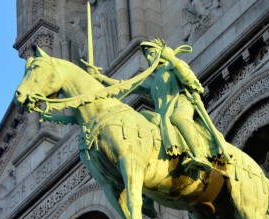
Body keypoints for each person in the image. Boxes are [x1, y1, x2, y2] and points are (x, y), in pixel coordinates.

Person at [83, 38, 228, 172]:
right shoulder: (152, 80)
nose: (149, 58)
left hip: (181, 104)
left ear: (161, 52)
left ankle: (200, 156)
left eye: (152, 53)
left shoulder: (173, 66)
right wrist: (100, 78)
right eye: (147, 56)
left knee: (178, 117)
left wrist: (172, 59)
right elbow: (126, 86)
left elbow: (189, 80)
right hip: (164, 112)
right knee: (144, 119)